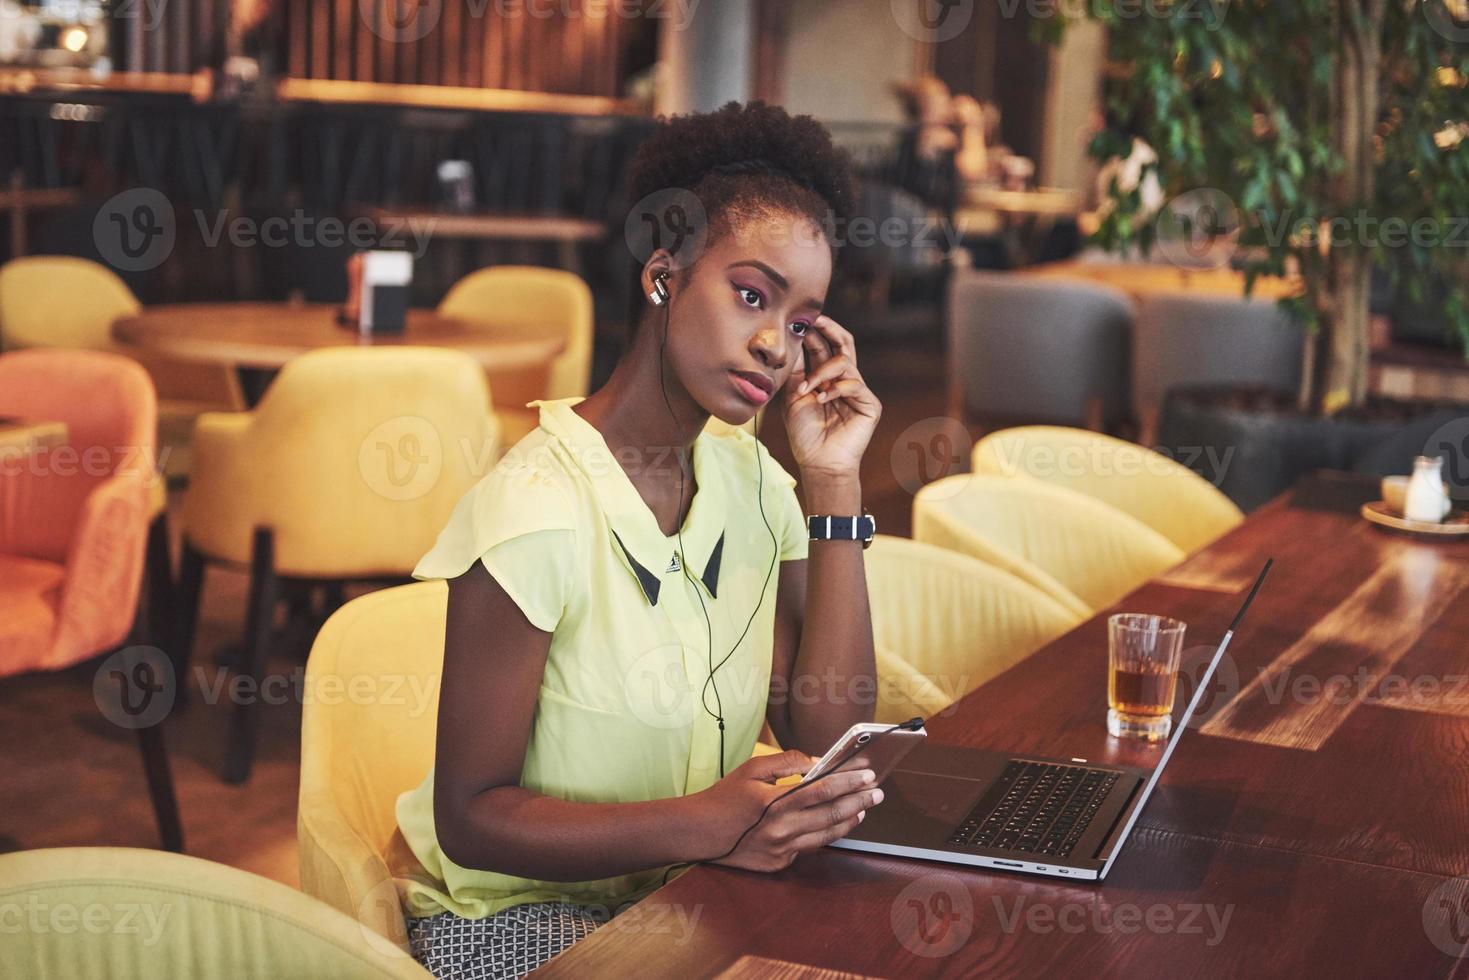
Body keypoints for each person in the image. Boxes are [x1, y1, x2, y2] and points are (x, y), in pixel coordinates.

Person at [395, 100, 886, 979]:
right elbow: (469, 815)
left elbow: (827, 730)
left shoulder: (756, 484)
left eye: (803, 321)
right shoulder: (534, 509)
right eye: (750, 295)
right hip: (522, 921)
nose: (776, 345)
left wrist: (833, 484)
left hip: (694, 890)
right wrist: (706, 821)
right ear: (663, 275)